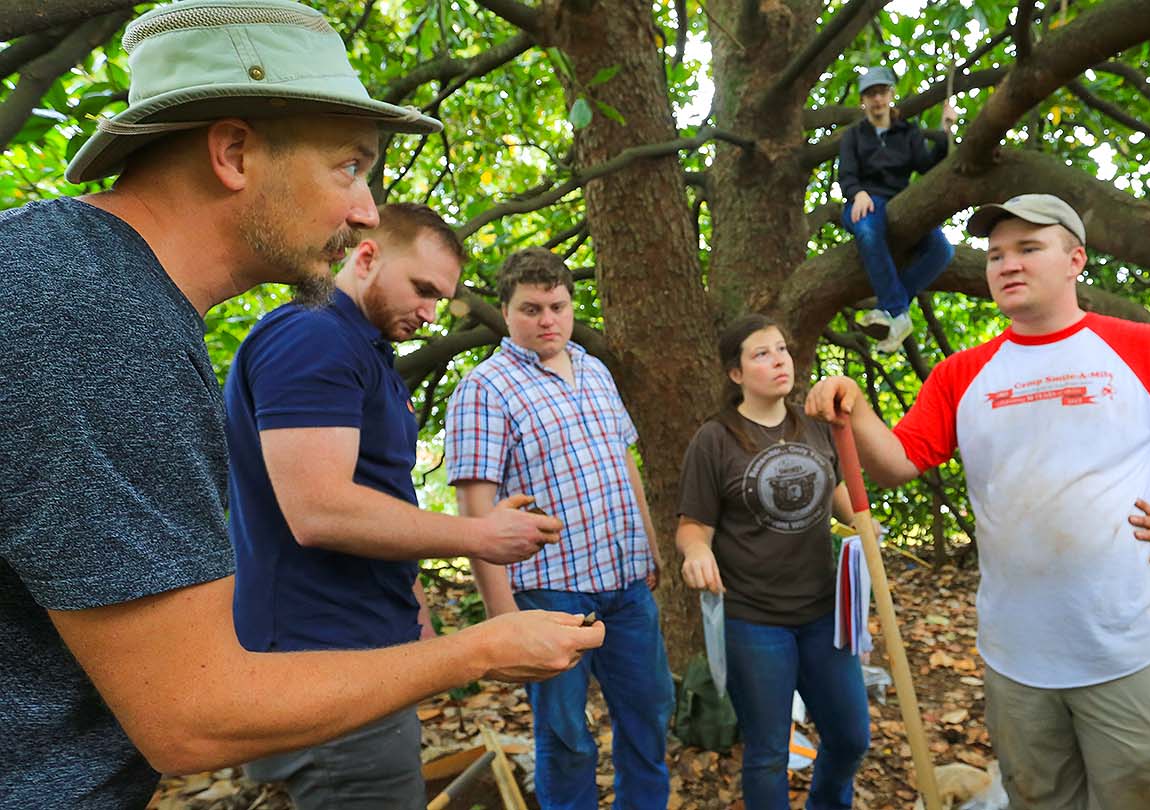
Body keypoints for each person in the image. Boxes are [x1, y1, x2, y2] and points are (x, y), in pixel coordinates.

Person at [0, 3, 602, 807]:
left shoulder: (92, 288)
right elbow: (192, 717)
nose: (364, 212)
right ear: (234, 152)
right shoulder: (93, 316)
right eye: (350, 168)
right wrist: (480, 649)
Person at [806, 194, 1150, 810]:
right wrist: (859, 408)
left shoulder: (1149, 350)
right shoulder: (961, 375)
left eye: (1029, 248)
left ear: (1076, 259)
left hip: (1127, 647)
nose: (1007, 265)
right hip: (1016, 657)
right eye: (996, 254)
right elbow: (899, 464)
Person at [223, 202, 561, 808]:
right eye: (422, 289)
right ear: (367, 254)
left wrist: (419, 629)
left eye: (442, 299)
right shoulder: (312, 335)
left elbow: (382, 500)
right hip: (323, 661)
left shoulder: (366, 349)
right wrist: (483, 535)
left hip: (371, 650)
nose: (431, 314)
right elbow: (319, 510)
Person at [445, 247, 674, 809]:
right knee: (568, 734)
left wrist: (650, 546)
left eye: (557, 306)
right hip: (551, 591)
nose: (547, 319)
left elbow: (624, 464)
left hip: (625, 582)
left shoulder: (594, 370)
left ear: (571, 307)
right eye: (530, 309)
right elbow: (474, 515)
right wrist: (504, 623)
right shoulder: (485, 389)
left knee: (648, 714)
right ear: (505, 311)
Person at [675, 314, 871, 809]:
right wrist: (697, 551)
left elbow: (837, 491)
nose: (777, 359)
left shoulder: (816, 426)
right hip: (754, 619)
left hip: (825, 613)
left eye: (780, 349)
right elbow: (692, 525)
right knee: (766, 753)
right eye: (760, 353)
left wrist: (867, 529)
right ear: (735, 373)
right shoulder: (715, 439)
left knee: (850, 737)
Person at [838, 65, 958, 352]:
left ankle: (892, 309)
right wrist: (858, 193)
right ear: (862, 101)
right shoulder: (853, 136)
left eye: (881, 92)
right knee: (867, 230)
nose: (877, 99)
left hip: (900, 203)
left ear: (891, 94)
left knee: (943, 251)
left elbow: (927, 168)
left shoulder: (908, 132)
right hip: (865, 201)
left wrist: (946, 132)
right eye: (870, 94)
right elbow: (846, 176)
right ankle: (897, 310)